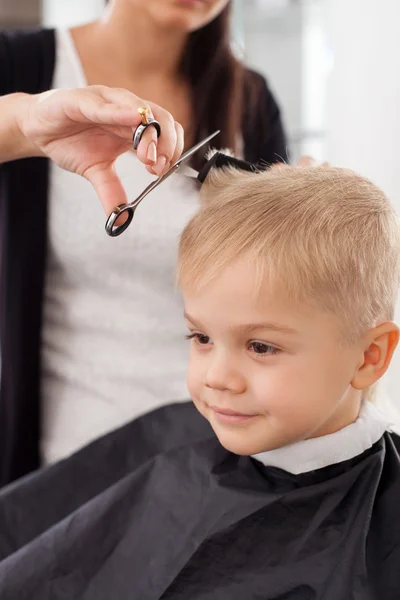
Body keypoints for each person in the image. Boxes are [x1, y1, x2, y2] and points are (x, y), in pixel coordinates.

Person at [0, 157, 399, 599]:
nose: (217, 377)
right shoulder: (169, 441)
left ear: (368, 356)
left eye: (260, 347)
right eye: (201, 336)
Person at [0, 0, 288, 485]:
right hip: (64, 470)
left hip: (212, 471)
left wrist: (297, 224)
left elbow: (276, 303)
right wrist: (26, 121)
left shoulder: (251, 99)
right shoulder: (21, 64)